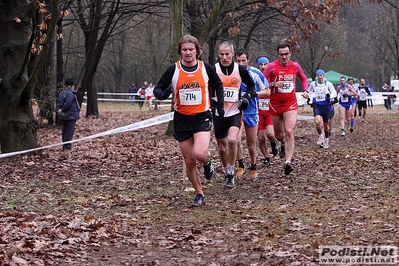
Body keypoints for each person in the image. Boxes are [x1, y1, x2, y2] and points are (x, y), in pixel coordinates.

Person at [153, 35, 224, 207]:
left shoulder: (205, 68)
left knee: (200, 154)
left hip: (201, 116)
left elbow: (219, 84)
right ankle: (199, 194)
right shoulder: (173, 70)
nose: (188, 53)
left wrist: (219, 105)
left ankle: (208, 162)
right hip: (182, 119)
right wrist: (162, 94)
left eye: (191, 49)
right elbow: (158, 88)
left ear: (197, 51)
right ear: (180, 52)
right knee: (189, 160)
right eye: (184, 50)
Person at [213, 41, 255, 188]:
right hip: (219, 113)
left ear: (232, 54)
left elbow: (251, 86)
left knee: (232, 141)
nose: (224, 57)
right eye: (221, 54)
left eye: (227, 54)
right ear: (218, 55)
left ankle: (231, 172)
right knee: (222, 148)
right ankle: (226, 170)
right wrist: (211, 101)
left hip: (235, 111)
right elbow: (206, 88)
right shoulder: (214, 70)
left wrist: (246, 98)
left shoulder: (240, 69)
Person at [263, 43, 309, 175]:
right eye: (281, 54)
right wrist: (273, 84)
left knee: (289, 130)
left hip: (290, 103)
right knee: (279, 135)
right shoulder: (271, 67)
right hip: (275, 104)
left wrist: (305, 90)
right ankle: (282, 143)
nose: (284, 57)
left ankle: (288, 162)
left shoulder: (295, 66)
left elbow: (304, 79)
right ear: (278, 55)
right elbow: (262, 83)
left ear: (290, 54)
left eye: (286, 54)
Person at [234, 49, 270, 180]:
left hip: (252, 111)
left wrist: (254, 94)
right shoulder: (232, 73)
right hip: (237, 111)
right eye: (238, 61)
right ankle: (241, 165)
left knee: (250, 144)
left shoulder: (256, 73)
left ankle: (253, 166)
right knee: (236, 140)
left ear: (248, 59)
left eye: (243, 60)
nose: (241, 63)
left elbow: (267, 91)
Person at [304, 69, 337, 149]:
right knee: (318, 121)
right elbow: (309, 91)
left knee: (326, 126)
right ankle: (321, 136)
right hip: (317, 105)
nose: (319, 77)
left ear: (323, 76)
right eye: (318, 75)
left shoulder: (328, 84)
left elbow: (334, 93)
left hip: (326, 106)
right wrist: (308, 97)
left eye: (321, 75)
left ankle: (326, 140)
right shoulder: (313, 84)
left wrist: (330, 96)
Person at [256, 57, 278, 166]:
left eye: (265, 64)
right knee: (260, 138)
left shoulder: (272, 79)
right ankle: (266, 157)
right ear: (258, 66)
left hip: (269, 112)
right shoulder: (254, 78)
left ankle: (273, 144)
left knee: (270, 133)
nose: (263, 67)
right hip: (258, 113)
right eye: (261, 64)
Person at [56, 78, 80, 150]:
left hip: (63, 116)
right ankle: (67, 147)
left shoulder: (61, 92)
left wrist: (58, 110)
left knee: (64, 131)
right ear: (71, 86)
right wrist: (63, 109)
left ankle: (64, 145)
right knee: (69, 132)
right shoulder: (70, 94)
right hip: (70, 116)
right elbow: (68, 103)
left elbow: (58, 103)